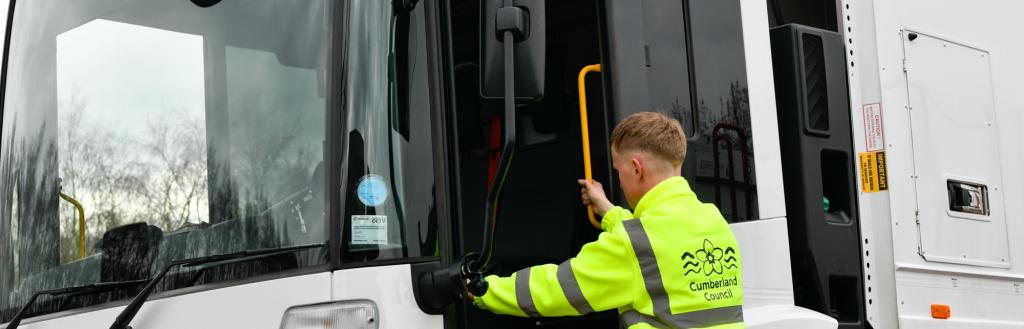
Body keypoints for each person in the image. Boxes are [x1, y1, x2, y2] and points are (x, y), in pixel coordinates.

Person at [470, 112, 744, 328]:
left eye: (619, 171)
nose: (620, 182)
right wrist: (610, 211)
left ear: (636, 169)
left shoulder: (635, 245)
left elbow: (557, 289)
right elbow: (654, 245)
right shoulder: (713, 219)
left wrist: (485, 290)